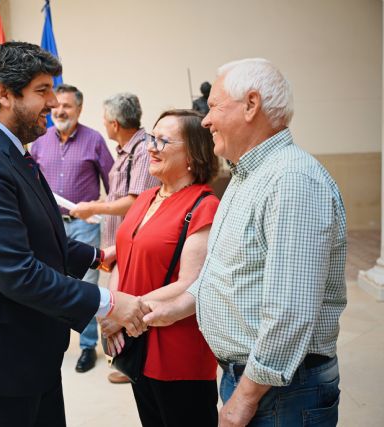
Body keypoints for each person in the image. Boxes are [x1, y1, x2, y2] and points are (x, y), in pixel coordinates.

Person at [0, 41, 150, 427]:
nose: (54, 103)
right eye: (42, 91)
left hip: (21, 350)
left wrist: (97, 256)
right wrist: (108, 302)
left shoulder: (8, 148)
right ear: (3, 93)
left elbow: (35, 230)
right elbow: (16, 271)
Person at [144, 58, 347, 427]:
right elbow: (225, 271)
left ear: (251, 105)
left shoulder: (292, 180)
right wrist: (175, 310)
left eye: (215, 107)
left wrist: (245, 398)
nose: (205, 120)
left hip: (281, 390)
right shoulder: (246, 176)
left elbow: (290, 310)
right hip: (253, 380)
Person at [102, 109, 220, 426]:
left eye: (163, 140)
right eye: (151, 137)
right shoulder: (146, 197)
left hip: (177, 350)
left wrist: (125, 313)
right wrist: (113, 308)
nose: (150, 147)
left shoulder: (203, 206)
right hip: (137, 341)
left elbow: (189, 282)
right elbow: (122, 259)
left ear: (194, 154)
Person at [70, 92, 158, 384]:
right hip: (118, 243)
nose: (104, 125)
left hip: (133, 243)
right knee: (118, 305)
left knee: (129, 305)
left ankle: (136, 366)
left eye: (106, 120)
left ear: (116, 123)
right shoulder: (125, 151)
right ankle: (128, 364)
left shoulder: (143, 150)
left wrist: (93, 207)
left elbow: (136, 202)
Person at [31, 83, 114, 374]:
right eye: (56, 106)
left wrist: (103, 216)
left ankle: (88, 346)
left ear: (79, 108)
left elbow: (113, 187)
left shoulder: (94, 140)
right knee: (48, 282)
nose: (60, 111)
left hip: (84, 227)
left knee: (86, 287)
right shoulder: (40, 141)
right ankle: (50, 340)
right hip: (49, 227)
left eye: (67, 106)